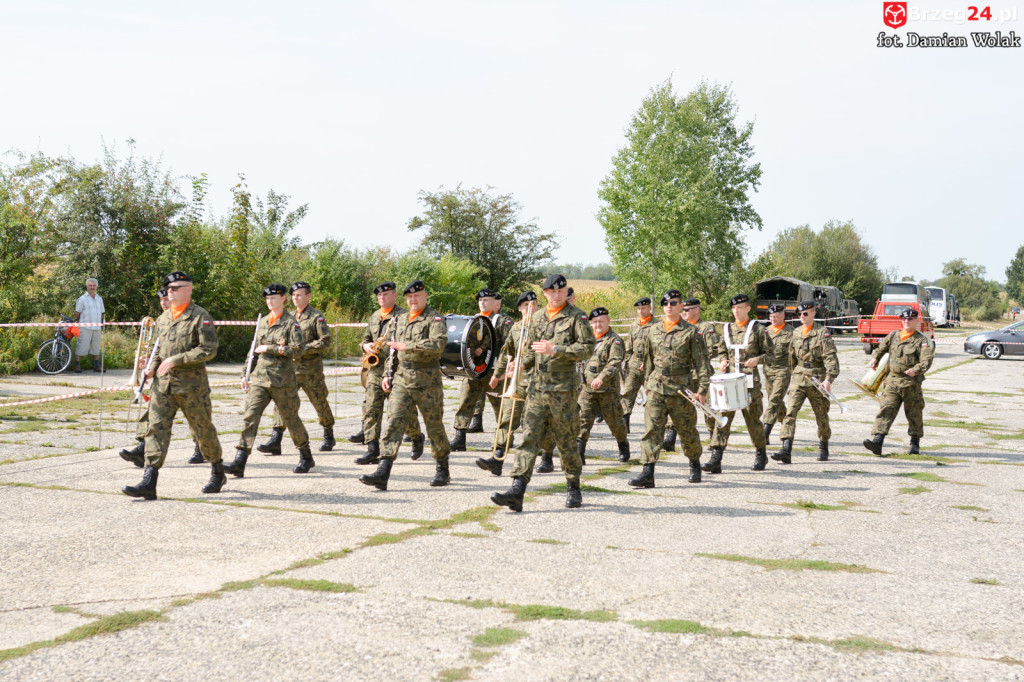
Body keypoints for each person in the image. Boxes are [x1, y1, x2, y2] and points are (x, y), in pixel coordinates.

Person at [491, 274, 595, 512]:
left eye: (561, 291)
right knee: (529, 438)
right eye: (552, 292)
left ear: (565, 292)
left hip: (563, 391)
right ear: (546, 293)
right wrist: (519, 365)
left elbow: (587, 348)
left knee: (566, 440)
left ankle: (573, 486)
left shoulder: (576, 316)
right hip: (537, 390)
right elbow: (530, 350)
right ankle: (517, 490)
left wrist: (556, 349)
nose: (557, 295)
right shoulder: (536, 318)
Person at [122, 272, 225, 499]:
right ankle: (149, 481)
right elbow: (159, 350)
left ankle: (218, 469)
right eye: (168, 287)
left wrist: (176, 360)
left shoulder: (200, 316)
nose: (170, 291)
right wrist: (150, 367)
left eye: (175, 287)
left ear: (188, 289)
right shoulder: (163, 318)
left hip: (191, 387)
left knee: (203, 430)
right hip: (163, 385)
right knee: (155, 429)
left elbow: (209, 348)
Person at [359, 280, 451, 490]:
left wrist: (407, 346)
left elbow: (438, 345)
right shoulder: (399, 319)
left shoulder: (434, 318)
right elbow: (392, 351)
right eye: (409, 297)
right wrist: (387, 374)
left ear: (425, 296)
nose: (413, 300)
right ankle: (383, 470)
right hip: (401, 378)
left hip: (427, 381)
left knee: (434, 425)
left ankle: (442, 468)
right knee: (394, 423)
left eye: (416, 296)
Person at [223, 284, 314, 478]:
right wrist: (244, 374)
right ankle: (240, 460)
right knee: (250, 416)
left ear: (283, 299)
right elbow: (254, 350)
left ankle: (306, 455)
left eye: (273, 298)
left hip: (283, 381)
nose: (269, 301)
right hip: (260, 379)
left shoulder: (291, 323)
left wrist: (271, 349)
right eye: (267, 299)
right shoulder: (263, 321)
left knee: (291, 420)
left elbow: (298, 349)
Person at [628, 290, 710, 488]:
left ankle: (694, 464)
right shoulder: (653, 330)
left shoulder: (691, 332)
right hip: (656, 388)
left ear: (681, 306)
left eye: (673, 303)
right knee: (651, 431)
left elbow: (702, 363)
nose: (669, 306)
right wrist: (647, 383)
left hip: (681, 390)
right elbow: (648, 359)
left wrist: (703, 390)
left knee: (687, 430)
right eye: (665, 303)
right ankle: (648, 472)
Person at [119, 288, 205, 468]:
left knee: (196, 417)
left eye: (166, 299)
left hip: (188, 379)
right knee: (153, 414)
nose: (164, 304)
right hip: (163, 379)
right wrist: (148, 365)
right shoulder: (161, 321)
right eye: (161, 301)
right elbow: (158, 350)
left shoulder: (193, 318)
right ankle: (142, 448)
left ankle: (202, 448)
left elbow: (201, 350)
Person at [257, 282, 337, 455]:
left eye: (300, 295)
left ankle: (328, 433)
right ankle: (276, 439)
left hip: (310, 370)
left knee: (319, 401)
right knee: (282, 403)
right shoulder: (288, 317)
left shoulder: (316, 316)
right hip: (289, 369)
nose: (296, 298)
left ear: (308, 296)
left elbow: (325, 341)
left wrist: (303, 348)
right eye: (293, 295)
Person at [350, 282, 424, 464]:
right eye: (379, 296)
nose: (382, 298)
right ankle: (372, 449)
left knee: (402, 412)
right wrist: (365, 346)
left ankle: (416, 437)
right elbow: (366, 339)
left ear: (395, 295)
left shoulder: (403, 316)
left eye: (386, 295)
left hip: (396, 370)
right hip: (375, 370)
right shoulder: (375, 316)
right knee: (371, 409)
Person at [706, 294, 772, 472]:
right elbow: (721, 351)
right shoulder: (726, 329)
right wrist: (722, 360)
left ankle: (761, 453)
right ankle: (716, 457)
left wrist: (758, 359)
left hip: (749, 382)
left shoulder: (758, 329)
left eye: (740, 307)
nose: (737, 310)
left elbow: (771, 354)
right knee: (722, 418)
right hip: (728, 382)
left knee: (752, 420)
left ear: (748, 308)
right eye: (734, 308)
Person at [476, 291, 536, 477]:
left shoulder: (544, 326)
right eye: (526, 305)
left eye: (534, 304)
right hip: (517, 381)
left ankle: (547, 456)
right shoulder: (516, 328)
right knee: (506, 419)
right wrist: (498, 374)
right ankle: (498, 458)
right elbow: (505, 352)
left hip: (538, 381)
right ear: (520, 308)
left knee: (536, 423)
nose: (530, 308)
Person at [772, 300, 839, 464]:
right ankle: (786, 448)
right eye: (799, 314)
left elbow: (831, 359)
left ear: (813, 313)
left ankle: (824, 445)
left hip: (817, 378)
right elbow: (791, 358)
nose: (802, 316)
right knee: (790, 414)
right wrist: (791, 375)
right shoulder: (796, 333)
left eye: (805, 313)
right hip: (799, 377)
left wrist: (829, 380)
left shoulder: (822, 333)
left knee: (821, 415)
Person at [863, 309, 935, 456]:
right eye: (904, 319)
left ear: (916, 321)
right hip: (892, 381)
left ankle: (915, 443)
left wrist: (916, 369)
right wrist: (875, 358)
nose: (907, 322)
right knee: (886, 408)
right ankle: (878, 441)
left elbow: (926, 360)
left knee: (914, 413)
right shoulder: (894, 335)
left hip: (911, 383)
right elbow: (881, 348)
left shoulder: (922, 340)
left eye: (910, 319)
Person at [449, 288, 514, 451]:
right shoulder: (474, 320)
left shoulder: (501, 321)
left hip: (493, 372)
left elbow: (510, 346)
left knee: (501, 407)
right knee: (465, 402)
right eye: (480, 300)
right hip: (473, 370)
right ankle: (459, 437)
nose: (483, 303)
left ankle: (505, 439)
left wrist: (505, 370)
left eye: (486, 300)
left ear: (495, 302)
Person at [665, 297, 722, 449]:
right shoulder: (680, 327)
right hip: (683, 374)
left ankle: (712, 435)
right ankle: (670, 437)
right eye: (682, 310)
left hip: (700, 373)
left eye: (687, 310)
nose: (684, 312)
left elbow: (712, 350)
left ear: (696, 310)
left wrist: (694, 358)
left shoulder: (705, 328)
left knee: (706, 405)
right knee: (678, 404)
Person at [577, 307, 630, 463]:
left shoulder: (615, 341)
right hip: (587, 389)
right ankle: (579, 453)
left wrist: (601, 378)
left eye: (601, 321)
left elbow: (615, 362)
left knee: (615, 422)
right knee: (582, 420)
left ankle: (622, 444)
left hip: (608, 390)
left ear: (609, 321)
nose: (598, 324)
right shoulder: (588, 339)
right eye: (594, 322)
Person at [619, 297, 654, 434]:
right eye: (638, 308)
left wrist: (649, 364)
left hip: (649, 366)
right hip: (633, 364)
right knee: (628, 393)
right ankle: (624, 424)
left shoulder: (657, 325)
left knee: (652, 395)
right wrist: (626, 363)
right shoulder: (634, 325)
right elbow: (629, 346)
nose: (640, 310)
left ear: (649, 308)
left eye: (643, 308)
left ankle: (652, 427)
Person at [760, 304, 793, 446]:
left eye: (776, 316)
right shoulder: (765, 331)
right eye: (771, 316)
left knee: (773, 401)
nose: (773, 318)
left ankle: (764, 433)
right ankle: (785, 423)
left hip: (783, 371)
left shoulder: (792, 332)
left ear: (783, 315)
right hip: (768, 371)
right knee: (776, 401)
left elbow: (796, 354)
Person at [73, 277, 105, 373]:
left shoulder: (99, 299)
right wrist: (81, 322)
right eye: (90, 285)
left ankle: (96, 365)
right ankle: (77, 365)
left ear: (97, 287)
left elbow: (102, 312)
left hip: (97, 327)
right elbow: (77, 313)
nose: (92, 287)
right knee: (81, 346)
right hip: (85, 327)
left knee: (96, 347)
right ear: (87, 286)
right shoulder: (82, 299)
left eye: (94, 285)